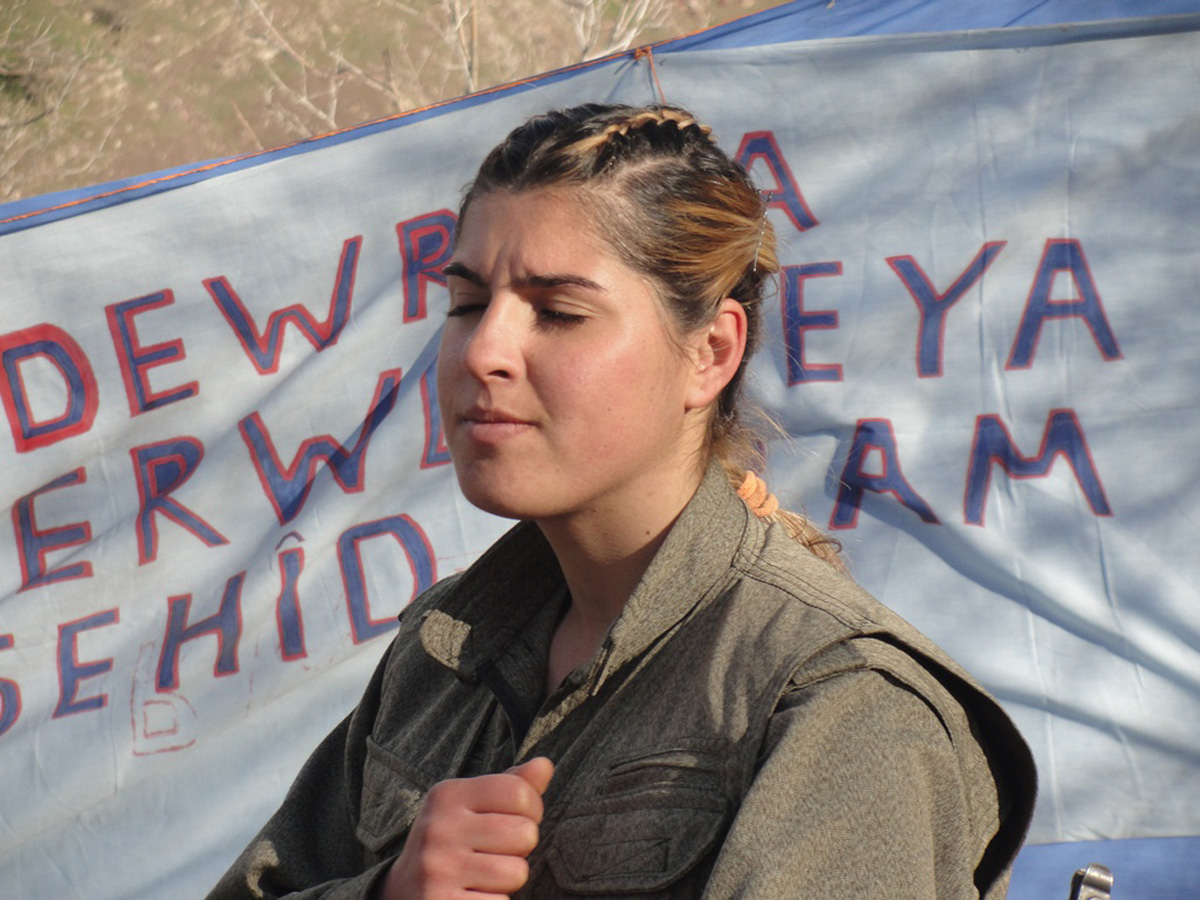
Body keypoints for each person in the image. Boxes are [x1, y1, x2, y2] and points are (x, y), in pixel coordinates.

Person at [208, 102, 1036, 900]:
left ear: (710, 352)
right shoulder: (442, 655)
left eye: (559, 313)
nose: (485, 350)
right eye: (467, 304)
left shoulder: (843, 704)